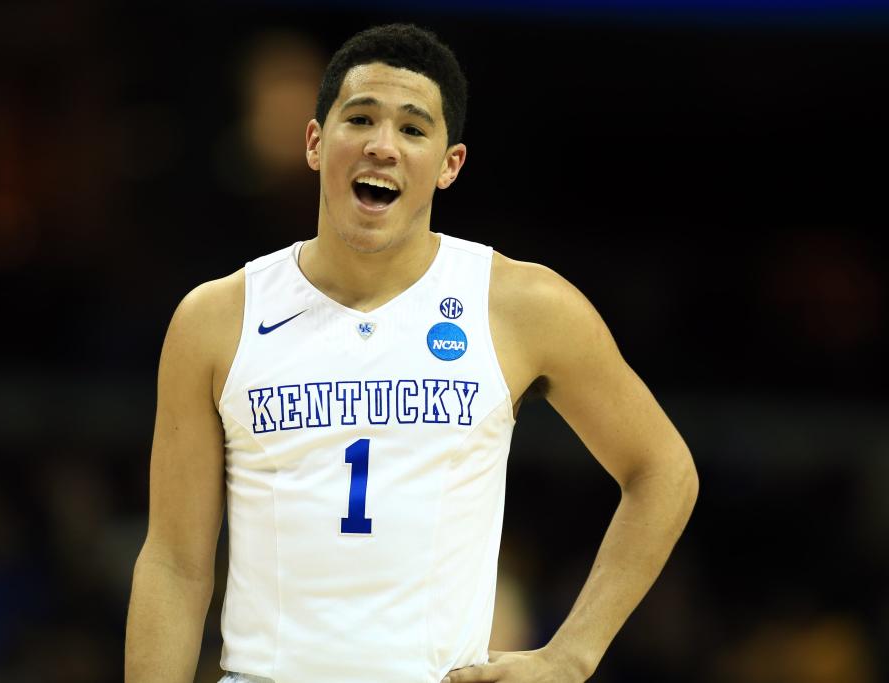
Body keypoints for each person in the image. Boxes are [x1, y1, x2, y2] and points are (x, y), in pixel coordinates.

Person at [125, 23, 698, 683]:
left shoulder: (520, 305)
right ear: (315, 143)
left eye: (413, 129)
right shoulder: (215, 319)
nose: (382, 146)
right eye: (360, 119)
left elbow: (663, 470)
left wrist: (571, 654)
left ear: (450, 163)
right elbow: (175, 562)